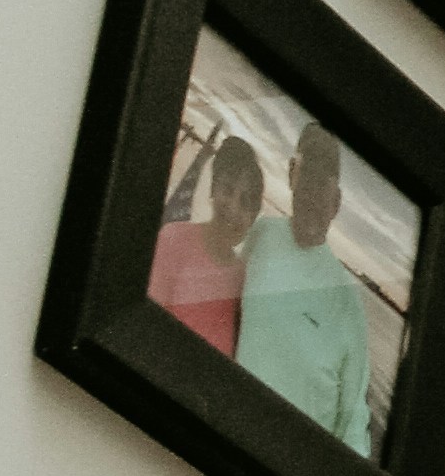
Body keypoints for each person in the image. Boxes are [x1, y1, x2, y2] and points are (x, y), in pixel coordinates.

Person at [232, 126, 380, 457]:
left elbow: (354, 420)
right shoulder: (261, 235)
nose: (312, 200)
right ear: (292, 176)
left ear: (337, 202)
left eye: (322, 191)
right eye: (307, 184)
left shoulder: (348, 305)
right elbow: (223, 313)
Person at [147, 130, 263, 355]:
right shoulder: (174, 240)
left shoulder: (245, 283)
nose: (233, 207)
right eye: (228, 190)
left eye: (246, 202)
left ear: (253, 216)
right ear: (213, 189)